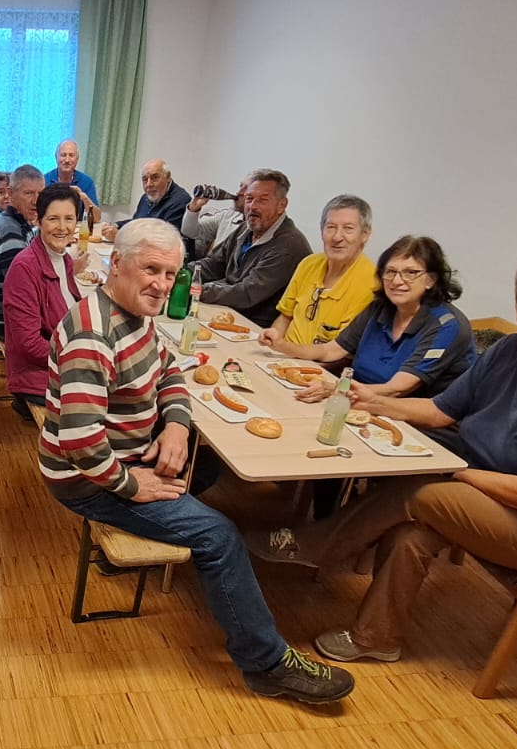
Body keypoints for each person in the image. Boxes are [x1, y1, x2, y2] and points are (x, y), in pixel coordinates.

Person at [250, 247, 517, 665]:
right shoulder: (510, 351)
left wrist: (456, 473)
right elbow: (439, 410)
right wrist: (371, 402)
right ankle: (375, 638)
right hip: (493, 493)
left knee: (423, 493)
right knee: (414, 531)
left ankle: (313, 545)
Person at [38, 219, 354, 705]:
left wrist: (177, 426)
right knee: (219, 536)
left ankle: (154, 524)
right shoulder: (93, 336)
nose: (162, 285)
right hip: (85, 478)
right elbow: (81, 444)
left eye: (170, 274)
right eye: (151, 270)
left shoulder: (132, 313)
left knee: (205, 468)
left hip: (118, 451)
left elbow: (169, 370)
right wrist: (132, 486)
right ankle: (265, 664)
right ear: (116, 264)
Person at [262, 235, 475, 404]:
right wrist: (281, 345)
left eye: (410, 273)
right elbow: (331, 351)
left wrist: (335, 389)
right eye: (390, 272)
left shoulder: (447, 326)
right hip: (355, 399)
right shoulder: (379, 307)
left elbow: (397, 389)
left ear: (431, 280)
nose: (397, 281)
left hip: (411, 420)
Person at [187, 168, 311, 328]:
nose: (252, 206)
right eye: (249, 199)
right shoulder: (245, 228)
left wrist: (197, 289)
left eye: (262, 200)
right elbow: (213, 264)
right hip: (225, 311)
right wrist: (179, 273)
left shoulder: (288, 246)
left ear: (282, 205)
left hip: (255, 327)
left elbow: (246, 294)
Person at [2, 184, 82, 422]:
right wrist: (79, 359)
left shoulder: (64, 260)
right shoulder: (24, 268)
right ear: (38, 220)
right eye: (53, 219)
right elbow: (29, 345)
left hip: (59, 360)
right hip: (36, 373)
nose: (62, 227)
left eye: (69, 219)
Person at [258, 195, 378, 349]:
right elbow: (285, 317)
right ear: (322, 231)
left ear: (365, 234)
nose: (337, 237)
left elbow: (341, 352)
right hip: (281, 355)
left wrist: (287, 353)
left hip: (316, 362)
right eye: (331, 227)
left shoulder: (371, 283)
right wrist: (273, 338)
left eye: (348, 228)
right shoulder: (308, 264)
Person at [0, 165, 45, 341]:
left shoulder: (17, 222)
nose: (36, 201)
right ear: (11, 193)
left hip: (9, 317)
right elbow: (26, 291)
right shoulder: (10, 234)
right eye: (28, 193)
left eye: (40, 193)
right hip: (9, 326)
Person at [97, 158, 191, 241]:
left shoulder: (180, 201)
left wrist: (120, 236)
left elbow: (164, 241)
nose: (149, 184)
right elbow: (137, 223)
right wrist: (115, 225)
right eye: (145, 179)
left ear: (168, 177)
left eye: (155, 178)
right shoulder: (146, 197)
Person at [181, 175, 250, 258]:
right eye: (241, 186)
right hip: (210, 265)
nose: (239, 192)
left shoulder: (257, 226)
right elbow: (189, 231)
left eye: (247, 188)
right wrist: (193, 208)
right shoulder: (228, 216)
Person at [44, 139, 98, 218]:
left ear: (77, 159)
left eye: (71, 155)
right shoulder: (44, 180)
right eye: (63, 155)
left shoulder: (87, 181)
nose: (67, 160)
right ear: (56, 157)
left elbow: (96, 218)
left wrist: (84, 198)